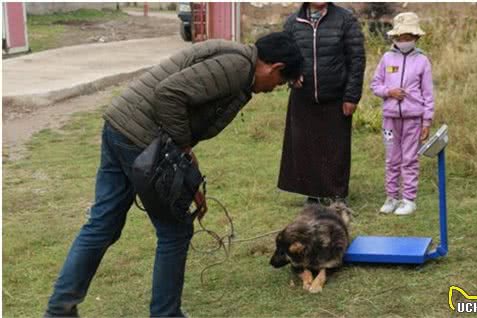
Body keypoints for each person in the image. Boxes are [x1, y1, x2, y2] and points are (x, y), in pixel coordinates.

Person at [44, 32, 303, 317]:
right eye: (279, 83)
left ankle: (59, 310)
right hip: (140, 139)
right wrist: (182, 148)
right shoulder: (238, 66)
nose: (273, 89)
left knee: (103, 223)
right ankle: (165, 314)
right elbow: (170, 93)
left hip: (120, 126)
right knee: (174, 231)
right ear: (274, 67)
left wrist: (186, 155)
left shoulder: (237, 60)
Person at [277, 2, 366, 205]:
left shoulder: (346, 19)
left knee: (336, 149)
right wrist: (291, 75)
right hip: (303, 97)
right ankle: (313, 193)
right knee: (306, 147)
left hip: (336, 96)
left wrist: (352, 96)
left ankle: (337, 195)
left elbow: (357, 59)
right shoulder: (292, 22)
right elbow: (283, 56)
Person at [370, 12, 435, 215]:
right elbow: (375, 84)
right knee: (392, 159)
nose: (403, 41)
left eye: (408, 37)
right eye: (400, 37)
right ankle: (391, 197)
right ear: (394, 38)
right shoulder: (387, 58)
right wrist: (389, 92)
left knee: (410, 159)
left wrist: (427, 121)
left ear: (416, 38)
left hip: (413, 119)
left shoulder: (422, 61)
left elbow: (428, 93)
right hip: (390, 119)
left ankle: (409, 199)